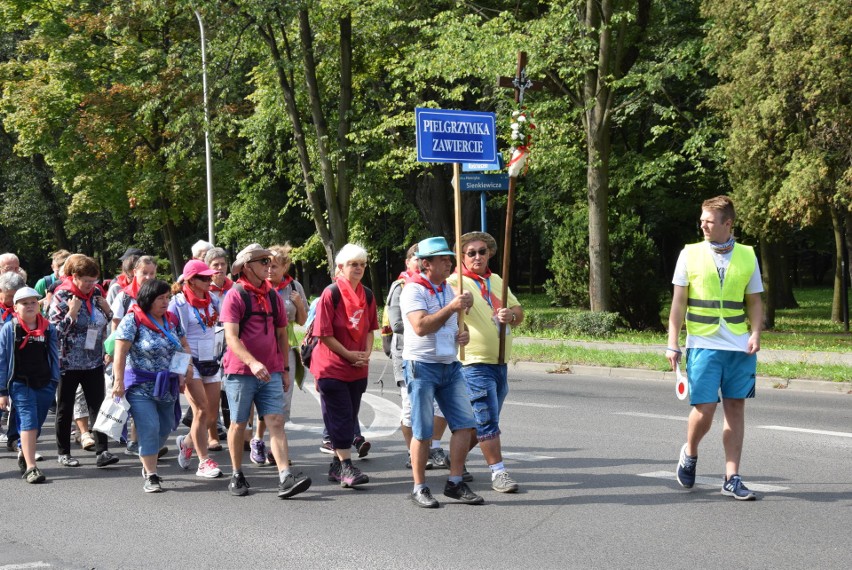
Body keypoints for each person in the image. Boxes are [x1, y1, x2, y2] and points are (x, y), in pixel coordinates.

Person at [666, 195, 763, 501]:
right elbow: (678, 303)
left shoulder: (748, 255)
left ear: (728, 224)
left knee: (735, 408)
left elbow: (755, 301)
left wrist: (756, 333)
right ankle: (690, 452)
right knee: (705, 410)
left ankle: (731, 477)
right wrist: (673, 343)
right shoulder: (690, 254)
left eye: (709, 220)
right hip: (702, 343)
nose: (703, 225)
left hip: (738, 345)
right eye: (702, 220)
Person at [221, 244, 310, 498]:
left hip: (271, 370)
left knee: (276, 422)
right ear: (248, 266)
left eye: (270, 262)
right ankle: (237, 474)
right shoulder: (235, 295)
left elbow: (283, 333)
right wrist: (252, 362)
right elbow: (231, 338)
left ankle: (285, 476)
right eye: (262, 262)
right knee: (239, 424)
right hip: (241, 371)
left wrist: (283, 368)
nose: (268, 266)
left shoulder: (272, 295)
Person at [400, 236, 483, 508]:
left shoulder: (448, 289)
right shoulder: (413, 290)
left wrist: (463, 335)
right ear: (426, 264)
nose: (449, 262)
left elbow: (456, 327)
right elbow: (421, 326)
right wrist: (452, 307)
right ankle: (419, 487)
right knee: (423, 432)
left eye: (449, 258)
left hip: (450, 365)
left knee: (465, 425)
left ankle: (455, 482)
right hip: (422, 367)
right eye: (443, 258)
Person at [447, 232, 524, 493]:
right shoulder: (454, 282)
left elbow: (519, 312)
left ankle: (454, 464)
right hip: (473, 363)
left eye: (482, 251)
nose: (478, 256)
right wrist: (459, 304)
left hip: (500, 362)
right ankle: (498, 473)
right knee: (487, 420)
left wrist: (510, 315)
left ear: (489, 254)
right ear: (462, 257)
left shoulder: (497, 279)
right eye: (471, 253)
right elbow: (450, 310)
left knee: (477, 424)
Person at [112, 279, 193, 493]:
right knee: (149, 427)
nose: (166, 302)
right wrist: (118, 382)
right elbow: (119, 353)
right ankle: (151, 474)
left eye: (168, 297)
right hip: (140, 386)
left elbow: (183, 344)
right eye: (160, 298)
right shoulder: (133, 320)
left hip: (167, 385)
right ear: (149, 299)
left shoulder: (172, 319)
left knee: (166, 426)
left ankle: (147, 455)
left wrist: (185, 369)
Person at [309, 244, 378, 488]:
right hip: (332, 367)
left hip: (358, 367)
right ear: (340, 267)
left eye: (362, 264)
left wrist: (366, 353)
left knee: (349, 418)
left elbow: (370, 328)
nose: (359, 268)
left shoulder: (367, 294)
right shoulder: (331, 293)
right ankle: (347, 467)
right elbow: (324, 334)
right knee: (340, 417)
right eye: (353, 264)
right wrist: (349, 354)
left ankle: (337, 467)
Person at [48, 255, 120, 469]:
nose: (91, 285)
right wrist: (71, 312)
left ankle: (103, 451)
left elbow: (103, 321)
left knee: (97, 406)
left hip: (93, 360)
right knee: (65, 408)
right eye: (87, 281)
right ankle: (64, 452)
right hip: (68, 362)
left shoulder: (97, 293)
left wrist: (108, 311)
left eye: (94, 280)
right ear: (75, 277)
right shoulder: (63, 295)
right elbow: (55, 331)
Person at [387, 245, 449, 470]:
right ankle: (411, 451)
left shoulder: (440, 286)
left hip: (438, 355)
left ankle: (435, 447)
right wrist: (426, 320)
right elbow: (397, 324)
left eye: (421, 258)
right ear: (408, 262)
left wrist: (434, 321)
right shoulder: (402, 286)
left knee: (440, 407)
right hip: (406, 354)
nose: (419, 262)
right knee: (410, 409)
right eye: (415, 258)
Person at [250, 244, 308, 466]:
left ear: (285, 266)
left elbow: (302, 321)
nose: (270, 269)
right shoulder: (259, 286)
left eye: (274, 265)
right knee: (260, 396)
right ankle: (257, 439)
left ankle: (276, 449)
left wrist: (299, 304)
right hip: (260, 348)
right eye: (266, 264)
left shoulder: (294, 286)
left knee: (281, 400)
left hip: (285, 350)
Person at [169, 260, 223, 478]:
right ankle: (204, 461)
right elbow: (173, 338)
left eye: (210, 276)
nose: (209, 280)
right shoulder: (178, 303)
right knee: (200, 410)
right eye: (204, 277)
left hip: (212, 360)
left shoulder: (213, 300)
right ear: (191, 280)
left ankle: (187, 442)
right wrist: (182, 369)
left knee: (210, 417)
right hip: (191, 363)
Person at [0, 287, 60, 483]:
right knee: (28, 421)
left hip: (44, 383)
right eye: (24, 303)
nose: (30, 306)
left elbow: (53, 356)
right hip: (20, 383)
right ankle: (32, 467)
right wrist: (2, 391)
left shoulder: (48, 328)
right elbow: (2, 360)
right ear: (16, 307)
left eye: (33, 302)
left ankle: (24, 454)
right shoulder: (10, 329)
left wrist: (54, 381)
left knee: (37, 423)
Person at [111, 255, 158, 330]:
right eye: (144, 273)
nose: (148, 277)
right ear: (135, 272)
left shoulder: (160, 295)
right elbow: (115, 325)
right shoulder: (124, 297)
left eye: (152, 273)